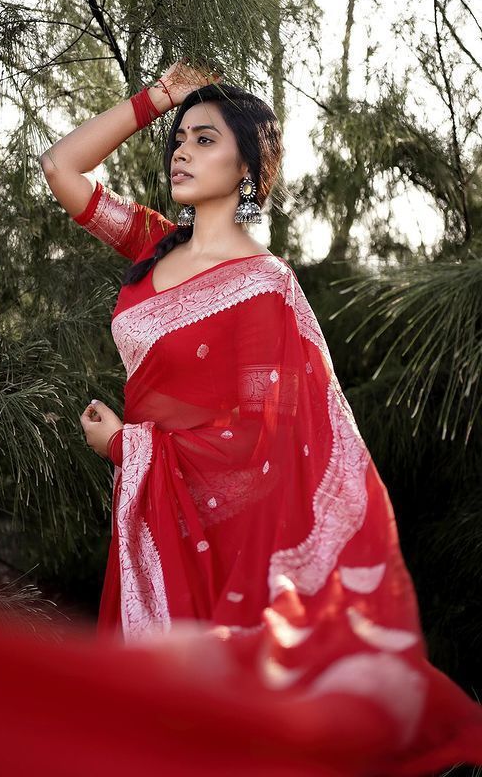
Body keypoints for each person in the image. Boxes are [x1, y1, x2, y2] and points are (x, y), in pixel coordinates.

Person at [37, 57, 482, 770]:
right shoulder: (153, 244)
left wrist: (130, 447)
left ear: (249, 166)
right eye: (178, 139)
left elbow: (260, 443)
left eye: (205, 138)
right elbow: (61, 167)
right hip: (155, 521)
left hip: (220, 541)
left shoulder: (264, 287)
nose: (181, 149)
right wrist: (156, 99)